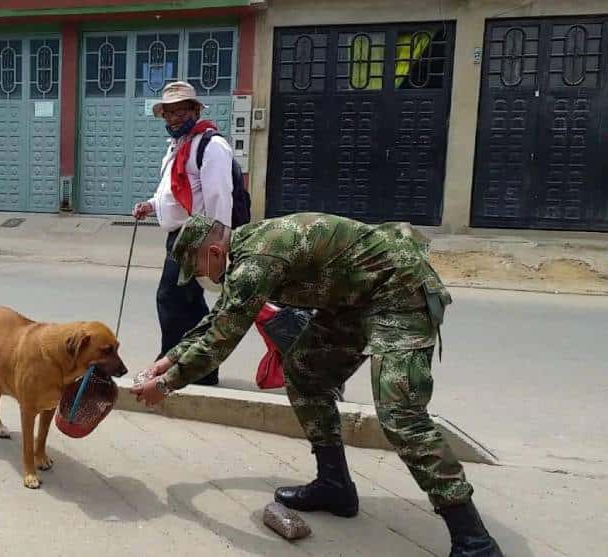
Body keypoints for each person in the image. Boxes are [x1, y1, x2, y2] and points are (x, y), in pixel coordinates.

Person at [131, 213, 503, 557]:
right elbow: (217, 320)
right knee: (304, 370)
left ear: (213, 251)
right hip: (352, 301)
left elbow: (220, 342)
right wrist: (165, 361)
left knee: (400, 414)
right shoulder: (242, 254)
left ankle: (474, 541)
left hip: (397, 289)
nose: (201, 277)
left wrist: (165, 386)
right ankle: (335, 486)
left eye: (197, 268)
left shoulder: (255, 262)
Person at [132, 81, 233, 386]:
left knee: (172, 299)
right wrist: (151, 206)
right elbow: (173, 192)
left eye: (179, 111)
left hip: (198, 238)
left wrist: (216, 247)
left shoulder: (211, 146)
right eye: (168, 112)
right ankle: (200, 368)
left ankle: (172, 366)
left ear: (194, 109)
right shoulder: (179, 145)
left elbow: (219, 198)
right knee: (189, 304)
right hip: (179, 237)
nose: (173, 118)